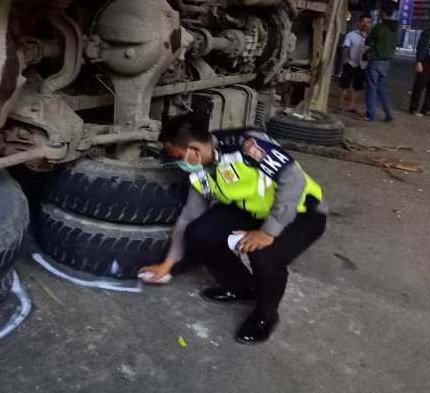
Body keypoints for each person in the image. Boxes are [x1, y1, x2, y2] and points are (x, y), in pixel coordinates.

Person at [139, 114, 327, 344]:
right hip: (254, 210)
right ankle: (242, 287)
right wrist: (167, 264)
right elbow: (188, 217)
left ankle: (265, 317)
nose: (179, 163)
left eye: (179, 157)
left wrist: (268, 232)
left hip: (303, 210)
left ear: (194, 149)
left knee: (265, 256)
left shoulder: (246, 146)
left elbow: (294, 180)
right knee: (199, 233)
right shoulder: (199, 169)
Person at [362, 2, 399, 122]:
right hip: (387, 62)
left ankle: (370, 115)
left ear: (382, 13)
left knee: (371, 88)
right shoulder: (396, 27)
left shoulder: (379, 27)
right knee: (382, 88)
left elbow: (368, 41)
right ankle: (388, 113)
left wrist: (372, 40)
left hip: (376, 60)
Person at [338, 15, 371, 114]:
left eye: (368, 22)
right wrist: (345, 60)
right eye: (363, 22)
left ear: (370, 24)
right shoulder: (351, 35)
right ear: (359, 23)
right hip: (350, 63)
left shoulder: (371, 37)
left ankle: (351, 107)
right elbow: (345, 47)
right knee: (344, 85)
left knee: (357, 87)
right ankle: (340, 106)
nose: (365, 24)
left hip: (362, 65)